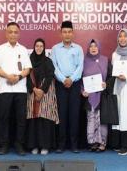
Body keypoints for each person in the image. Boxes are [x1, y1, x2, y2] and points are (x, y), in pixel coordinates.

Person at [0, 22, 32, 156]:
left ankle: (19, 144)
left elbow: (27, 69)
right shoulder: (0, 49)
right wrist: (7, 76)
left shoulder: (23, 49)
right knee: (4, 118)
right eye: (10, 32)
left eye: (15, 32)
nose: (13, 34)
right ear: (6, 33)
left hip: (20, 89)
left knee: (21, 119)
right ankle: (4, 145)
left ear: (19, 34)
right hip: (5, 89)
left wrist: (18, 77)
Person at [50, 20, 83, 153]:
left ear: (72, 33)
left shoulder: (78, 48)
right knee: (62, 115)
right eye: (64, 32)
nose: (67, 34)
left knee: (74, 115)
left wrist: (71, 79)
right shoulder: (55, 49)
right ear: (61, 34)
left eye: (69, 32)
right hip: (61, 85)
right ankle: (61, 144)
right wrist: (64, 79)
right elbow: (54, 67)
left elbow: (80, 67)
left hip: (74, 85)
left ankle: (74, 145)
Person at [27, 38, 59, 155]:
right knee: (34, 120)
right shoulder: (29, 60)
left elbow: (50, 76)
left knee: (44, 119)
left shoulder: (48, 61)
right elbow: (26, 76)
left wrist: (42, 90)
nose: (39, 48)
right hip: (32, 94)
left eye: (41, 46)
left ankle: (45, 146)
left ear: (44, 48)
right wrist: (34, 89)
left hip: (46, 94)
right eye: (37, 46)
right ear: (34, 47)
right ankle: (34, 145)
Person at [81, 39, 108, 152]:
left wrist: (106, 84)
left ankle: (102, 143)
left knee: (102, 119)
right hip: (89, 96)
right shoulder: (84, 61)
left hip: (102, 95)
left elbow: (110, 77)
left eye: (95, 46)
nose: (93, 48)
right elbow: (80, 79)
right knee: (91, 119)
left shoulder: (105, 60)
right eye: (91, 46)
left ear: (99, 47)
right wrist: (82, 91)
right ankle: (92, 142)